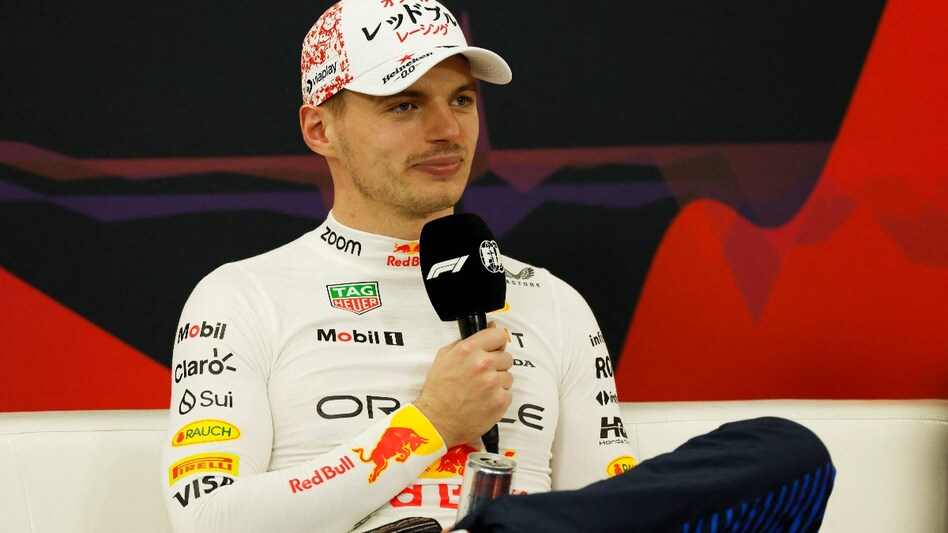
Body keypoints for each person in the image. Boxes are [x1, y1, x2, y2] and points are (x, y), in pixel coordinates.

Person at [161, 1, 834, 532]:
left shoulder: (551, 301)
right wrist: (426, 422)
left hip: (526, 529)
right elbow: (212, 518)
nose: (446, 130)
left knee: (784, 450)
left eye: (460, 100)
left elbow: (614, 505)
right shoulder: (240, 296)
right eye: (404, 105)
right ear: (320, 130)